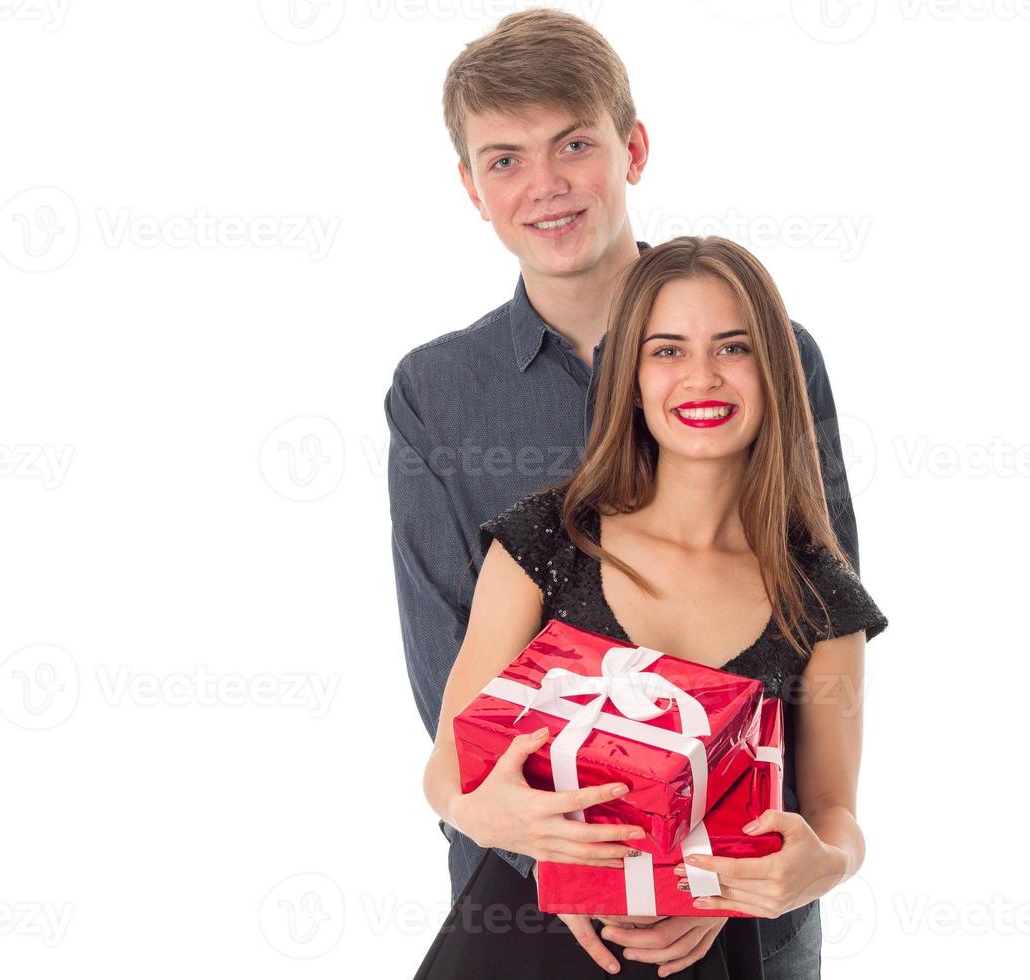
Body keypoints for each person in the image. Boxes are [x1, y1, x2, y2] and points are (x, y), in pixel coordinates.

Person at [386, 9, 864, 975]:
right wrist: (571, 863)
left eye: (574, 145)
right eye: (506, 159)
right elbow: (453, 686)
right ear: (472, 189)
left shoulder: (774, 354)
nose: (547, 185)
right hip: (526, 890)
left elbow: (815, 616)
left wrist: (716, 875)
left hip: (740, 913)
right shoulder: (438, 392)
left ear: (633, 148)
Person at [415, 236, 887, 977]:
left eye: (733, 348)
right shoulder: (545, 541)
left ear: (776, 372)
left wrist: (822, 866)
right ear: (630, 379)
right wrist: (532, 844)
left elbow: (836, 816)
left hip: (697, 954)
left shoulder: (822, 599)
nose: (701, 376)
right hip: (515, 940)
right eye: (667, 351)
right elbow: (447, 771)